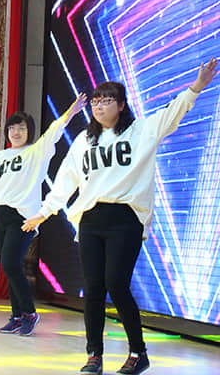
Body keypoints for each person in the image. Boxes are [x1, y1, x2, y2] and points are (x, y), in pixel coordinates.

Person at [22, 58, 218, 375]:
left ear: (121, 105)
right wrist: (43, 213)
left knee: (117, 283)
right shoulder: (84, 141)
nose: (99, 106)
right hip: (90, 220)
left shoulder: (141, 130)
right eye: (95, 102)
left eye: (107, 100)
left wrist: (197, 86)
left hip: (125, 219)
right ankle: (94, 355)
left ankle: (138, 352)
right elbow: (65, 181)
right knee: (93, 288)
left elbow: (172, 113)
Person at [0, 94, 85, 335]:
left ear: (29, 132)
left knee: (11, 263)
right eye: (12, 128)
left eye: (21, 128)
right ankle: (16, 316)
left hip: (23, 217)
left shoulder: (36, 152)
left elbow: (53, 133)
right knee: (9, 266)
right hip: (0, 216)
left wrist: (69, 114)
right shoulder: (0, 157)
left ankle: (29, 312)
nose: (16, 132)